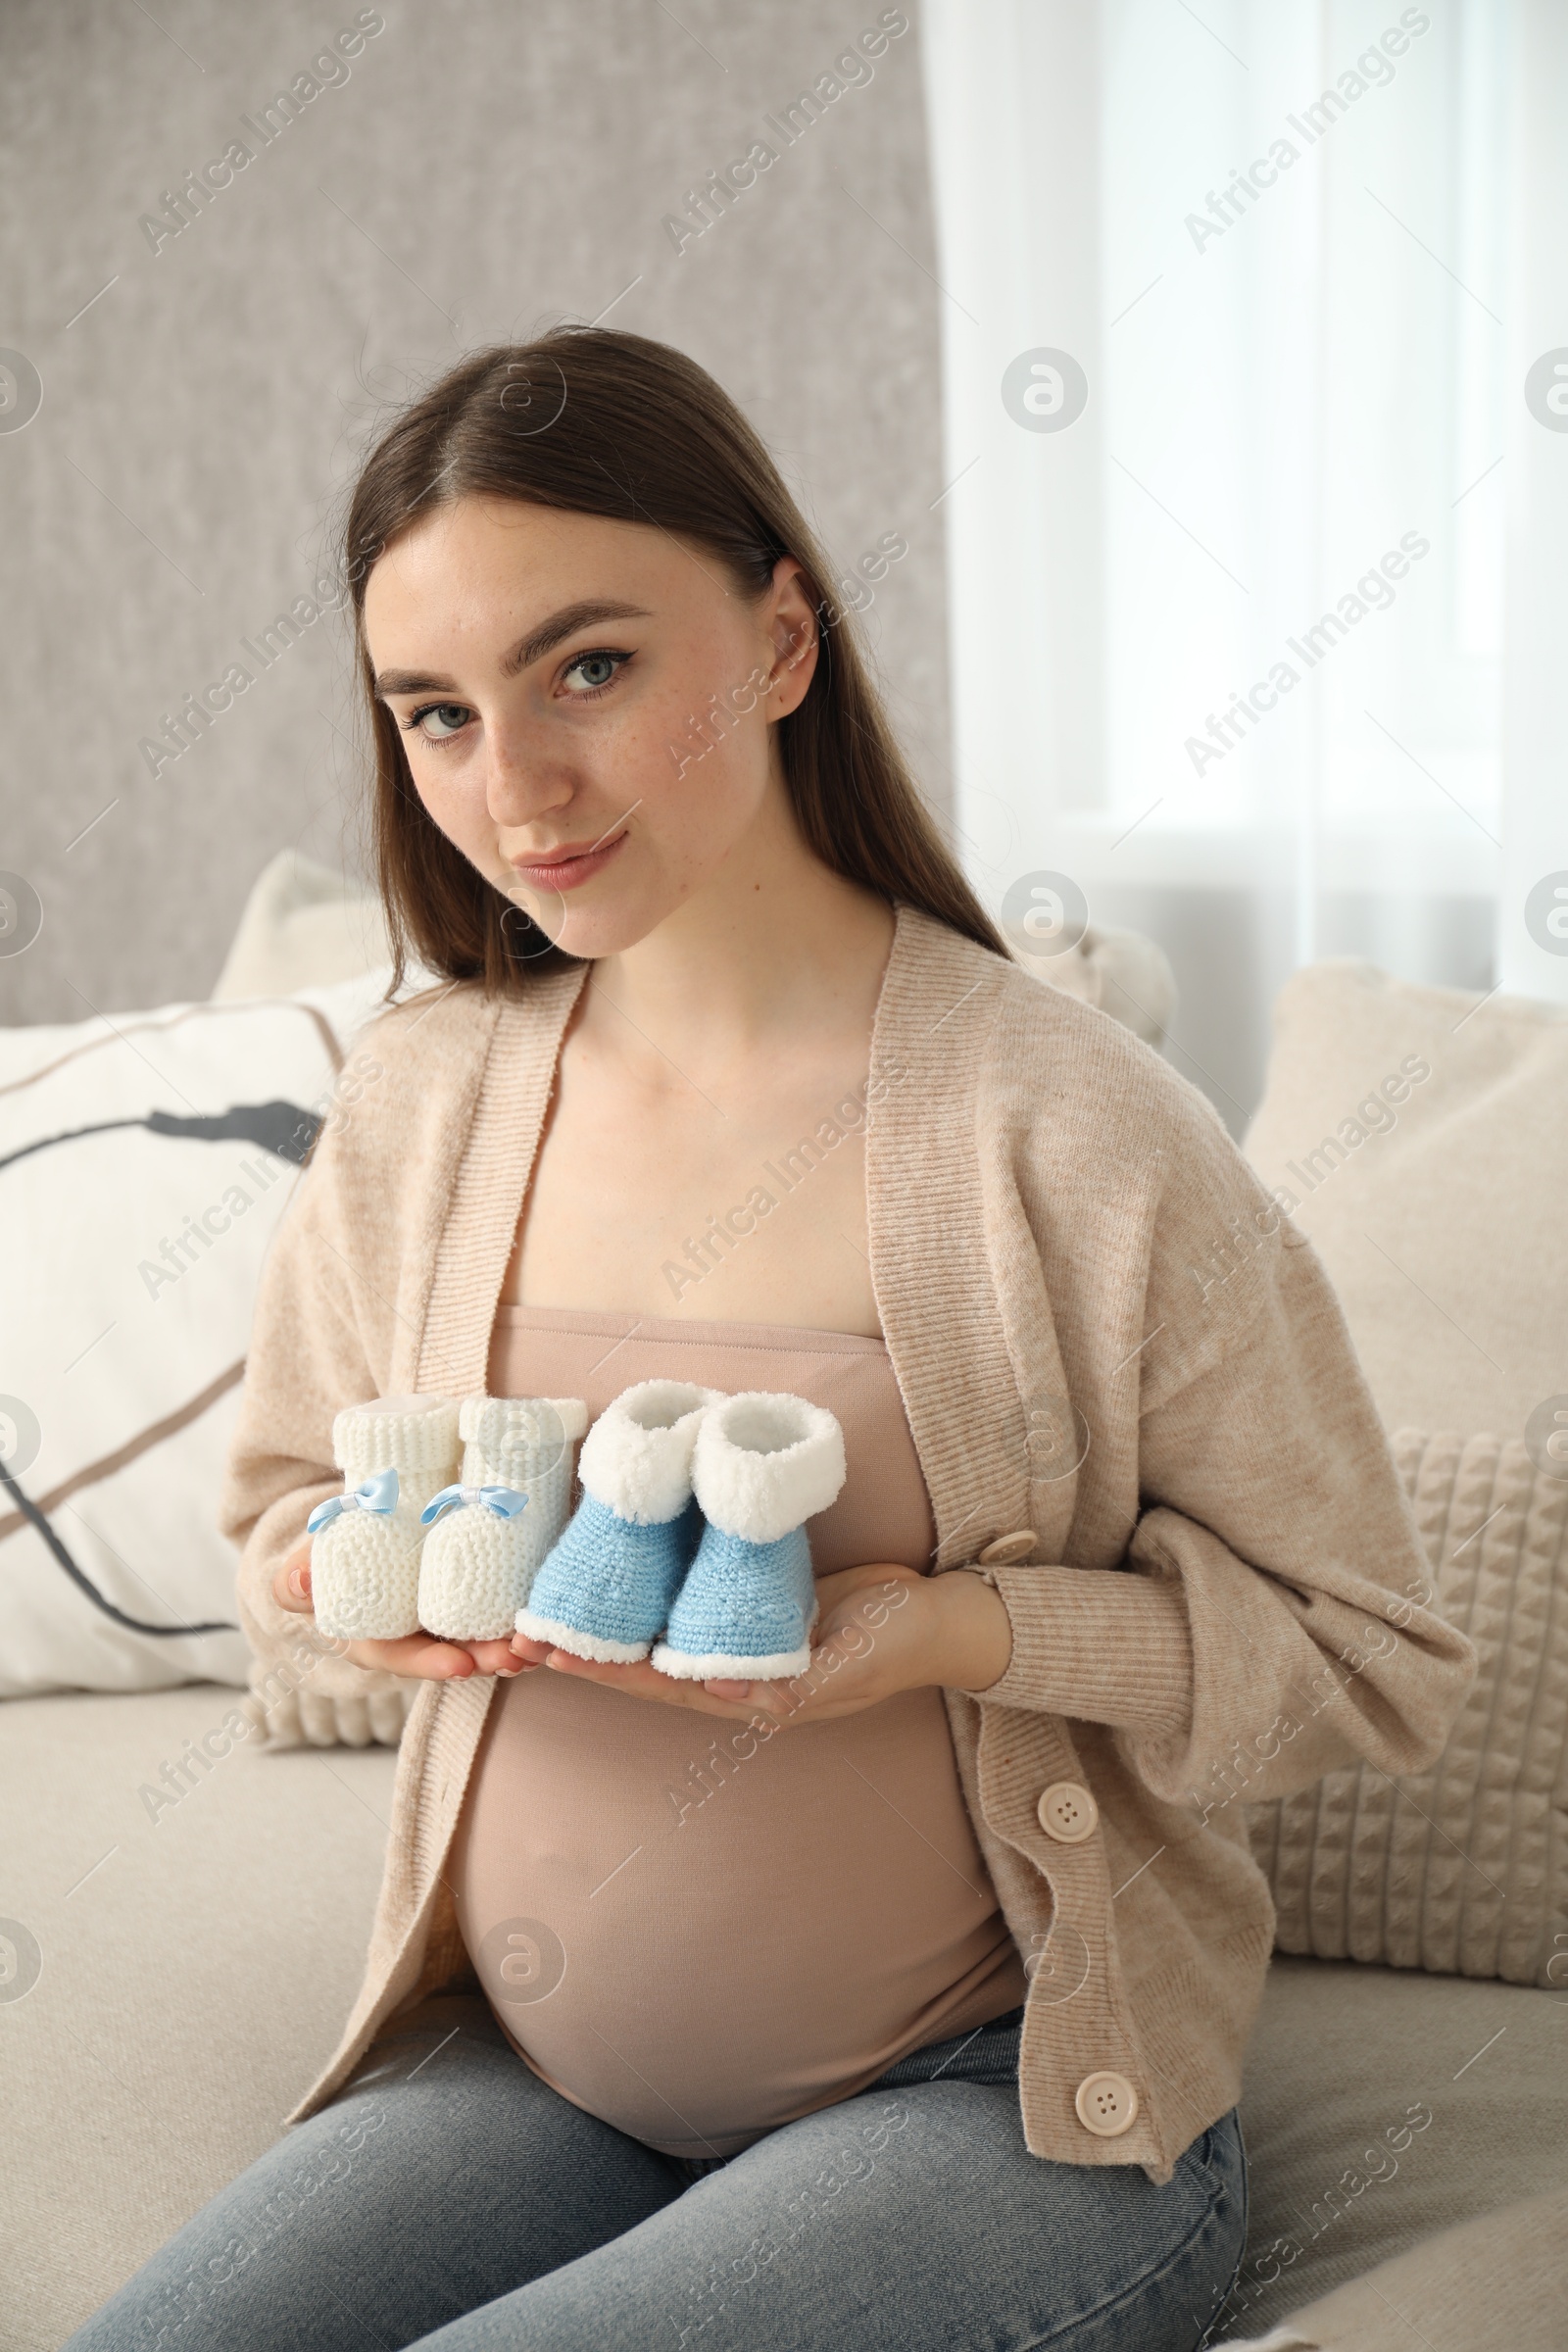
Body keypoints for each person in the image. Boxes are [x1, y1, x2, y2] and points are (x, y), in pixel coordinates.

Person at [64, 328, 1474, 2352]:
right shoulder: (424, 1096)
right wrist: (348, 1597)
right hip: (527, 2082)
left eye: (592, 669)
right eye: (435, 714)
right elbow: (284, 1518)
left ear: (782, 638)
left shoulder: (1061, 1126)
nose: (513, 787)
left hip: (987, 2119)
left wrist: (955, 1634)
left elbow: (1365, 1660)